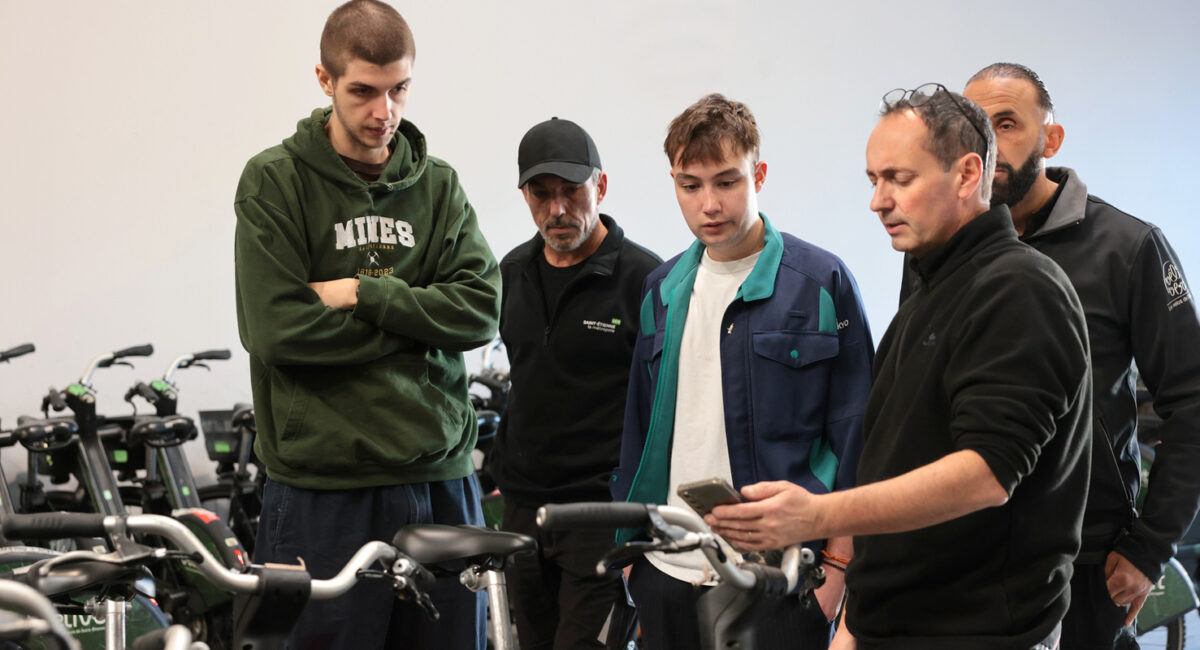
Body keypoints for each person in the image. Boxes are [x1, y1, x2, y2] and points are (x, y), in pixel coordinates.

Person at [709, 84, 1093, 648]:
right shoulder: (931, 285)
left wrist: (816, 517)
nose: (878, 201)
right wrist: (857, 620)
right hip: (890, 623)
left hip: (977, 633)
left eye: (900, 179)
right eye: (874, 180)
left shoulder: (1020, 288)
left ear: (966, 175)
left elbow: (986, 474)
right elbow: (896, 460)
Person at [233, 1, 499, 648]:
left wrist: (364, 293)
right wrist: (419, 325)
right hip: (323, 491)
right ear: (324, 81)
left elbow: (481, 312)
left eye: (398, 89)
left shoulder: (438, 187)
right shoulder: (275, 182)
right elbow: (278, 331)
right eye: (364, 91)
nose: (385, 112)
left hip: (439, 480)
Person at [610, 93, 875, 649]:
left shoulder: (821, 281)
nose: (709, 203)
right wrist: (634, 556)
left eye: (727, 182)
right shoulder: (661, 289)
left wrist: (839, 567)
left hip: (783, 574)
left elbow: (857, 434)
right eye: (690, 185)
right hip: (669, 570)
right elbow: (637, 430)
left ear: (759, 174)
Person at [960, 63, 1200, 650]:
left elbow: (1193, 405)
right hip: (966, 553)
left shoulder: (1128, 246)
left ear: (1051, 138)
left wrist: (1149, 547)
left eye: (1008, 124)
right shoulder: (939, 251)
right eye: (973, 129)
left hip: (1088, 562)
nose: (989, 147)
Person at [488, 118, 662, 649]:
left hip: (602, 513)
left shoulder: (644, 279)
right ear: (525, 196)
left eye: (571, 192)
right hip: (523, 510)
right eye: (542, 195)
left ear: (600, 187)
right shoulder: (511, 272)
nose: (558, 210)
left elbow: (664, 408)